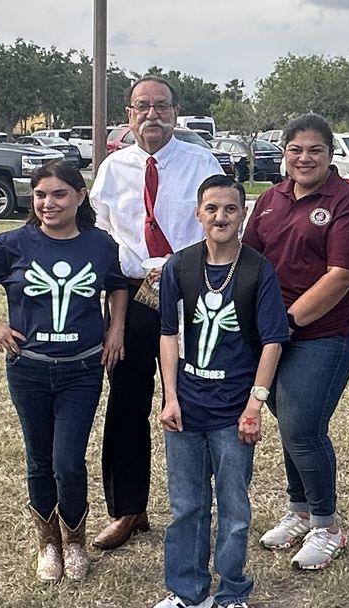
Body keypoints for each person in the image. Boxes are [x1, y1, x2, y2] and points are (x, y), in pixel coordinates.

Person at [0, 161, 131, 582]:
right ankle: (47, 544)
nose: (49, 203)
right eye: (40, 195)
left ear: (80, 196)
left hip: (82, 370)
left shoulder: (100, 245)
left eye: (59, 194)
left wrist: (115, 328)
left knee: (67, 461)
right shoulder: (15, 243)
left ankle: (74, 542)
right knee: (38, 458)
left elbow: (118, 284)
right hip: (28, 370)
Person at [147, 175, 290, 608]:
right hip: (186, 406)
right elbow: (168, 334)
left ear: (243, 215)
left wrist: (255, 404)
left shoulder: (257, 270)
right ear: (198, 213)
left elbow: (272, 342)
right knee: (186, 504)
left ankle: (232, 591)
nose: (220, 217)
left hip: (233, 409)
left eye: (230, 209)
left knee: (233, 506)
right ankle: (187, 589)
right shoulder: (180, 268)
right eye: (212, 208)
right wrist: (170, 397)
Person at [88, 74, 224, 551]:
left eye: (161, 106)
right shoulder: (112, 169)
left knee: (192, 399)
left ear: (175, 112)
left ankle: (196, 507)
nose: (151, 114)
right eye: (141, 106)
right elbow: (104, 233)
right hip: (131, 297)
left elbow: (217, 224)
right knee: (126, 400)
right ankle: (129, 509)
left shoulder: (200, 162)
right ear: (128, 114)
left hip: (188, 292)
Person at [242, 113, 349, 571]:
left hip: (322, 333)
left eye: (315, 149)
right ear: (284, 153)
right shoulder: (271, 198)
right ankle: (300, 511)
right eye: (295, 149)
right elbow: (249, 258)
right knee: (289, 425)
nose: (304, 158)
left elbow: (343, 275)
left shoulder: (345, 201)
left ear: (330, 154)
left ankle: (328, 525)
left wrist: (286, 324)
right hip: (271, 333)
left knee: (302, 427)